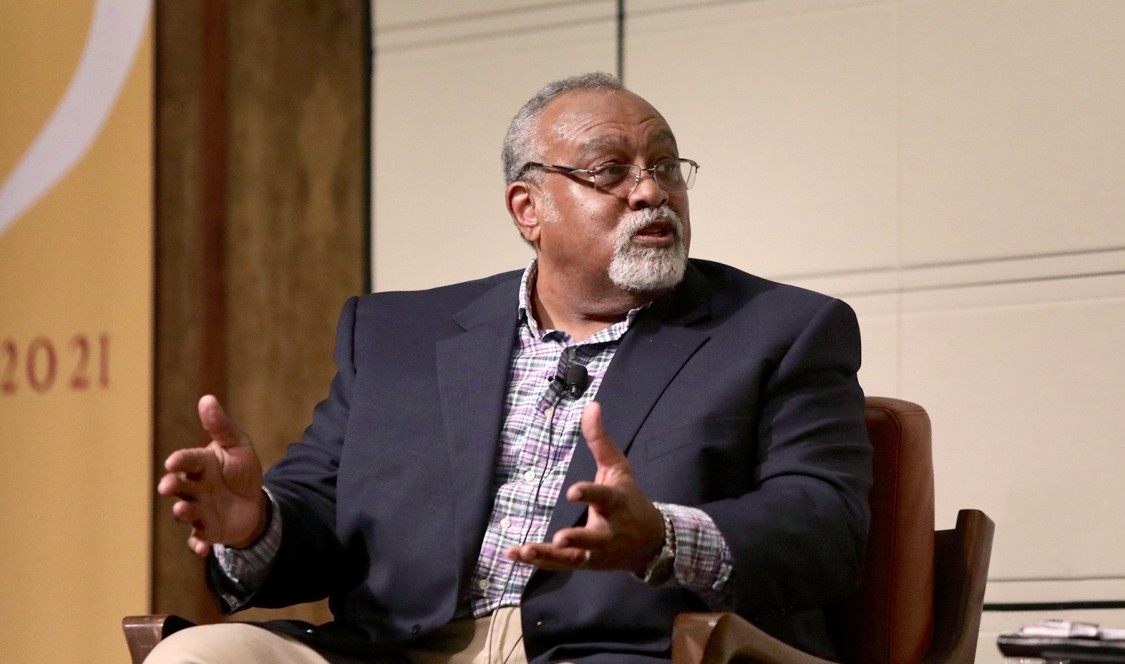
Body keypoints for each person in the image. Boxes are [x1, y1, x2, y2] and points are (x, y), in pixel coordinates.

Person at [152, 72, 872, 664]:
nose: (650, 191)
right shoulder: (398, 336)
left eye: (663, 167)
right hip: (390, 648)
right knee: (198, 658)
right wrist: (254, 524)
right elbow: (319, 519)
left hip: (626, 651)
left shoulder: (780, 330)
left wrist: (660, 537)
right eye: (609, 172)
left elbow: (823, 525)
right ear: (527, 208)